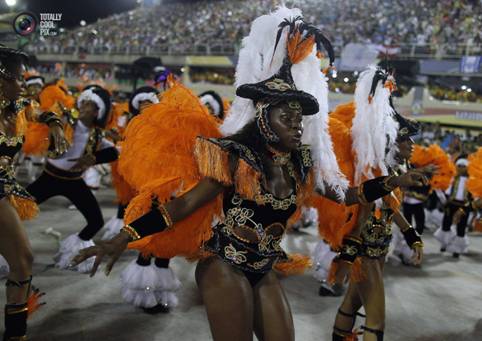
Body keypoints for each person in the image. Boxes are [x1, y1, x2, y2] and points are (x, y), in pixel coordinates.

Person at [73, 8, 425, 341]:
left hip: (266, 266)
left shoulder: (301, 161)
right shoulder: (234, 156)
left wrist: (394, 181)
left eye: (299, 117)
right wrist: (122, 238)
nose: (296, 124)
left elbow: (348, 196)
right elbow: (180, 207)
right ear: (262, 116)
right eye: (285, 116)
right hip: (224, 264)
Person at [0, 45, 67, 340]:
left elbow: (40, 112)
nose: (23, 84)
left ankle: (16, 334)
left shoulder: (17, 106)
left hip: (2, 192)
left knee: (23, 260)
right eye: (16, 78)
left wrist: (54, 124)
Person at [26, 85, 119, 273]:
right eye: (83, 101)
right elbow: (41, 119)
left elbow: (114, 152)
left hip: (74, 182)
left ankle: (73, 253)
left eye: (90, 104)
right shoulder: (64, 120)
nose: (84, 106)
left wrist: (94, 158)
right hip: (49, 178)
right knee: (12, 211)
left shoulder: (97, 134)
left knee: (96, 222)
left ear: (97, 112)